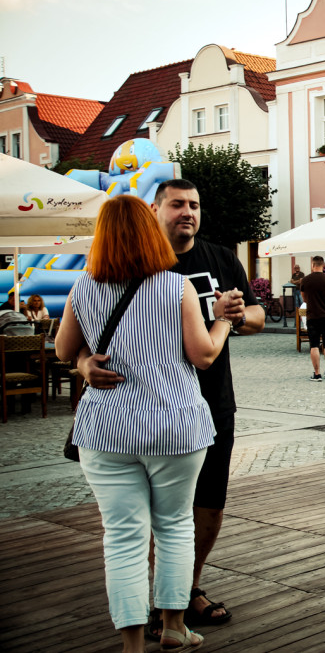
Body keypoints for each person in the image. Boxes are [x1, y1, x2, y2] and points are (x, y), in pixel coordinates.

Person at [56, 194, 232, 653]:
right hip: (175, 425)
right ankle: (173, 626)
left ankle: (133, 645)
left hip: (106, 429)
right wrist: (225, 322)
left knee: (122, 536)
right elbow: (205, 355)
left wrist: (83, 363)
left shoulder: (84, 285)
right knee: (174, 525)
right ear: (151, 231)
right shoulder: (176, 288)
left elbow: (63, 349)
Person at [91, 178, 262, 639]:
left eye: (195, 205)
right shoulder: (127, 267)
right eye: (178, 204)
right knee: (153, 516)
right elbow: (81, 342)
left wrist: (237, 315)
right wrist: (86, 362)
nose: (188, 212)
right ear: (155, 208)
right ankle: (154, 604)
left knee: (208, 503)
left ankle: (185, 592)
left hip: (210, 402)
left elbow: (257, 315)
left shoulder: (220, 258)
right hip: (143, 411)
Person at [301, 256, 325, 381]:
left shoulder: (305, 280)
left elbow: (304, 298)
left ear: (313, 265)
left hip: (312, 315)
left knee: (314, 345)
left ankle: (317, 373)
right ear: (323, 265)